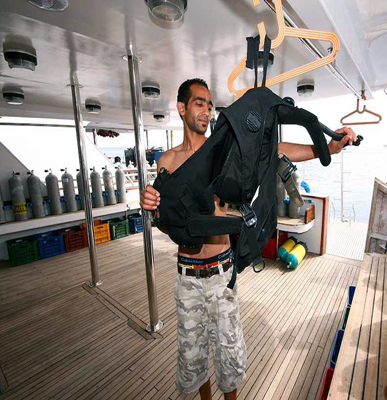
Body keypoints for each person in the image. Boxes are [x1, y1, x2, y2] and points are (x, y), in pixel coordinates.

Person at [140, 78, 356, 400]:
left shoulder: (224, 150)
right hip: (186, 274)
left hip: (221, 270)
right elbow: (164, 220)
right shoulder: (166, 163)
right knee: (193, 353)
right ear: (182, 108)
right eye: (199, 103)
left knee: (228, 356)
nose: (206, 110)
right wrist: (150, 205)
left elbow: (276, 150)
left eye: (210, 105)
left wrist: (329, 146)